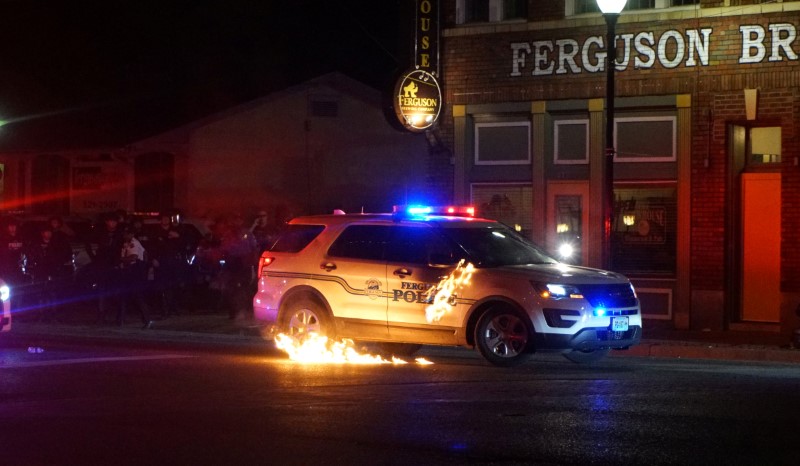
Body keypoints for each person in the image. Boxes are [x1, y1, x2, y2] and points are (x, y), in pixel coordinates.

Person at [24, 227, 73, 322]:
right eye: (46, 232)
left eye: (49, 232)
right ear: (42, 233)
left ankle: (53, 313)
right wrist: (33, 266)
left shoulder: (56, 244)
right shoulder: (36, 244)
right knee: (40, 293)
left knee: (53, 292)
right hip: (40, 271)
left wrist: (58, 264)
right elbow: (30, 255)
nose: (48, 234)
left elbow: (63, 255)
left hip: (52, 270)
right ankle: (41, 313)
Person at [87, 213, 125, 324]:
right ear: (106, 222)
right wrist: (94, 257)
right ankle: (102, 316)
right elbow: (88, 242)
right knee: (102, 290)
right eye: (110, 221)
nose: (112, 223)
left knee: (116, 291)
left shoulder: (120, 234)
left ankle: (118, 316)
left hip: (115, 265)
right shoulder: (100, 233)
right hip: (102, 265)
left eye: (114, 221)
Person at [150, 212, 185, 318]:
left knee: (174, 285)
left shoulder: (176, 231)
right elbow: (151, 247)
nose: (165, 220)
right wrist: (153, 259)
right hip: (161, 262)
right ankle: (164, 309)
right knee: (162, 286)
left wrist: (178, 237)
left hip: (173, 262)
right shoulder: (156, 232)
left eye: (167, 218)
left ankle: (174, 308)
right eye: (163, 218)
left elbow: (183, 245)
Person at [117, 228, 153, 328]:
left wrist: (120, 259)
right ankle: (121, 319)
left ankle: (147, 319)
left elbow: (133, 257)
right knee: (124, 295)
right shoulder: (126, 243)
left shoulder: (134, 242)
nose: (124, 236)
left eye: (126, 234)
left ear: (131, 234)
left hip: (134, 272)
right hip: (128, 271)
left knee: (138, 296)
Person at [0, 218, 29, 318]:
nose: (12, 228)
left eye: (14, 226)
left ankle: (18, 311)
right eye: (10, 226)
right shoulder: (3, 239)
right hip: (6, 269)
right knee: (7, 292)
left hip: (18, 269)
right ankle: (8, 311)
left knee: (19, 290)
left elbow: (26, 252)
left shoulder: (21, 238)